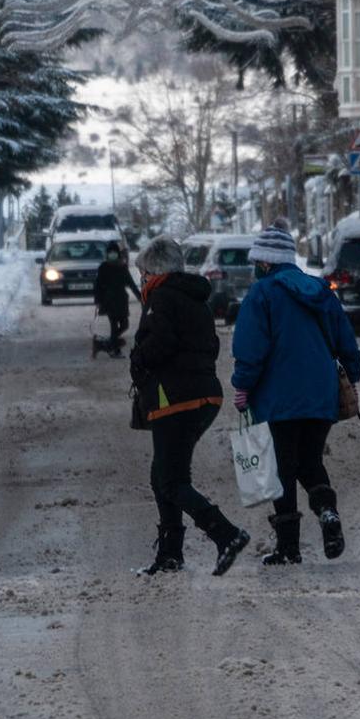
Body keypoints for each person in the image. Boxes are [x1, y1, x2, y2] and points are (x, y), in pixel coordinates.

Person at [232, 223, 360, 565]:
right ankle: (328, 513)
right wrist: (353, 372)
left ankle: (288, 548)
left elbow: (251, 348)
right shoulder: (321, 290)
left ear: (263, 262)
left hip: (277, 398)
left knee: (282, 470)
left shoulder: (261, 294)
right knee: (310, 461)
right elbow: (345, 339)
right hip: (320, 394)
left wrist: (242, 385)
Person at [130, 236, 250, 576]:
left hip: (175, 399)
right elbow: (209, 345)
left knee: (171, 480)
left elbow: (161, 343)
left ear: (154, 270)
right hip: (203, 395)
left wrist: (138, 358)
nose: (141, 280)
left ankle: (225, 534)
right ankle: (170, 554)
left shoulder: (163, 298)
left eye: (143, 273)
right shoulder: (194, 298)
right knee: (162, 476)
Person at [93, 244, 139, 358]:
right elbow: (97, 285)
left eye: (114, 252)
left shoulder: (122, 267)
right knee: (114, 326)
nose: (112, 254)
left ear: (118, 253)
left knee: (125, 325)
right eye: (110, 252)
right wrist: (98, 300)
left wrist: (140, 296)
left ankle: (104, 344)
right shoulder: (103, 267)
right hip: (108, 301)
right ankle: (114, 350)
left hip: (121, 300)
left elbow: (131, 283)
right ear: (107, 254)